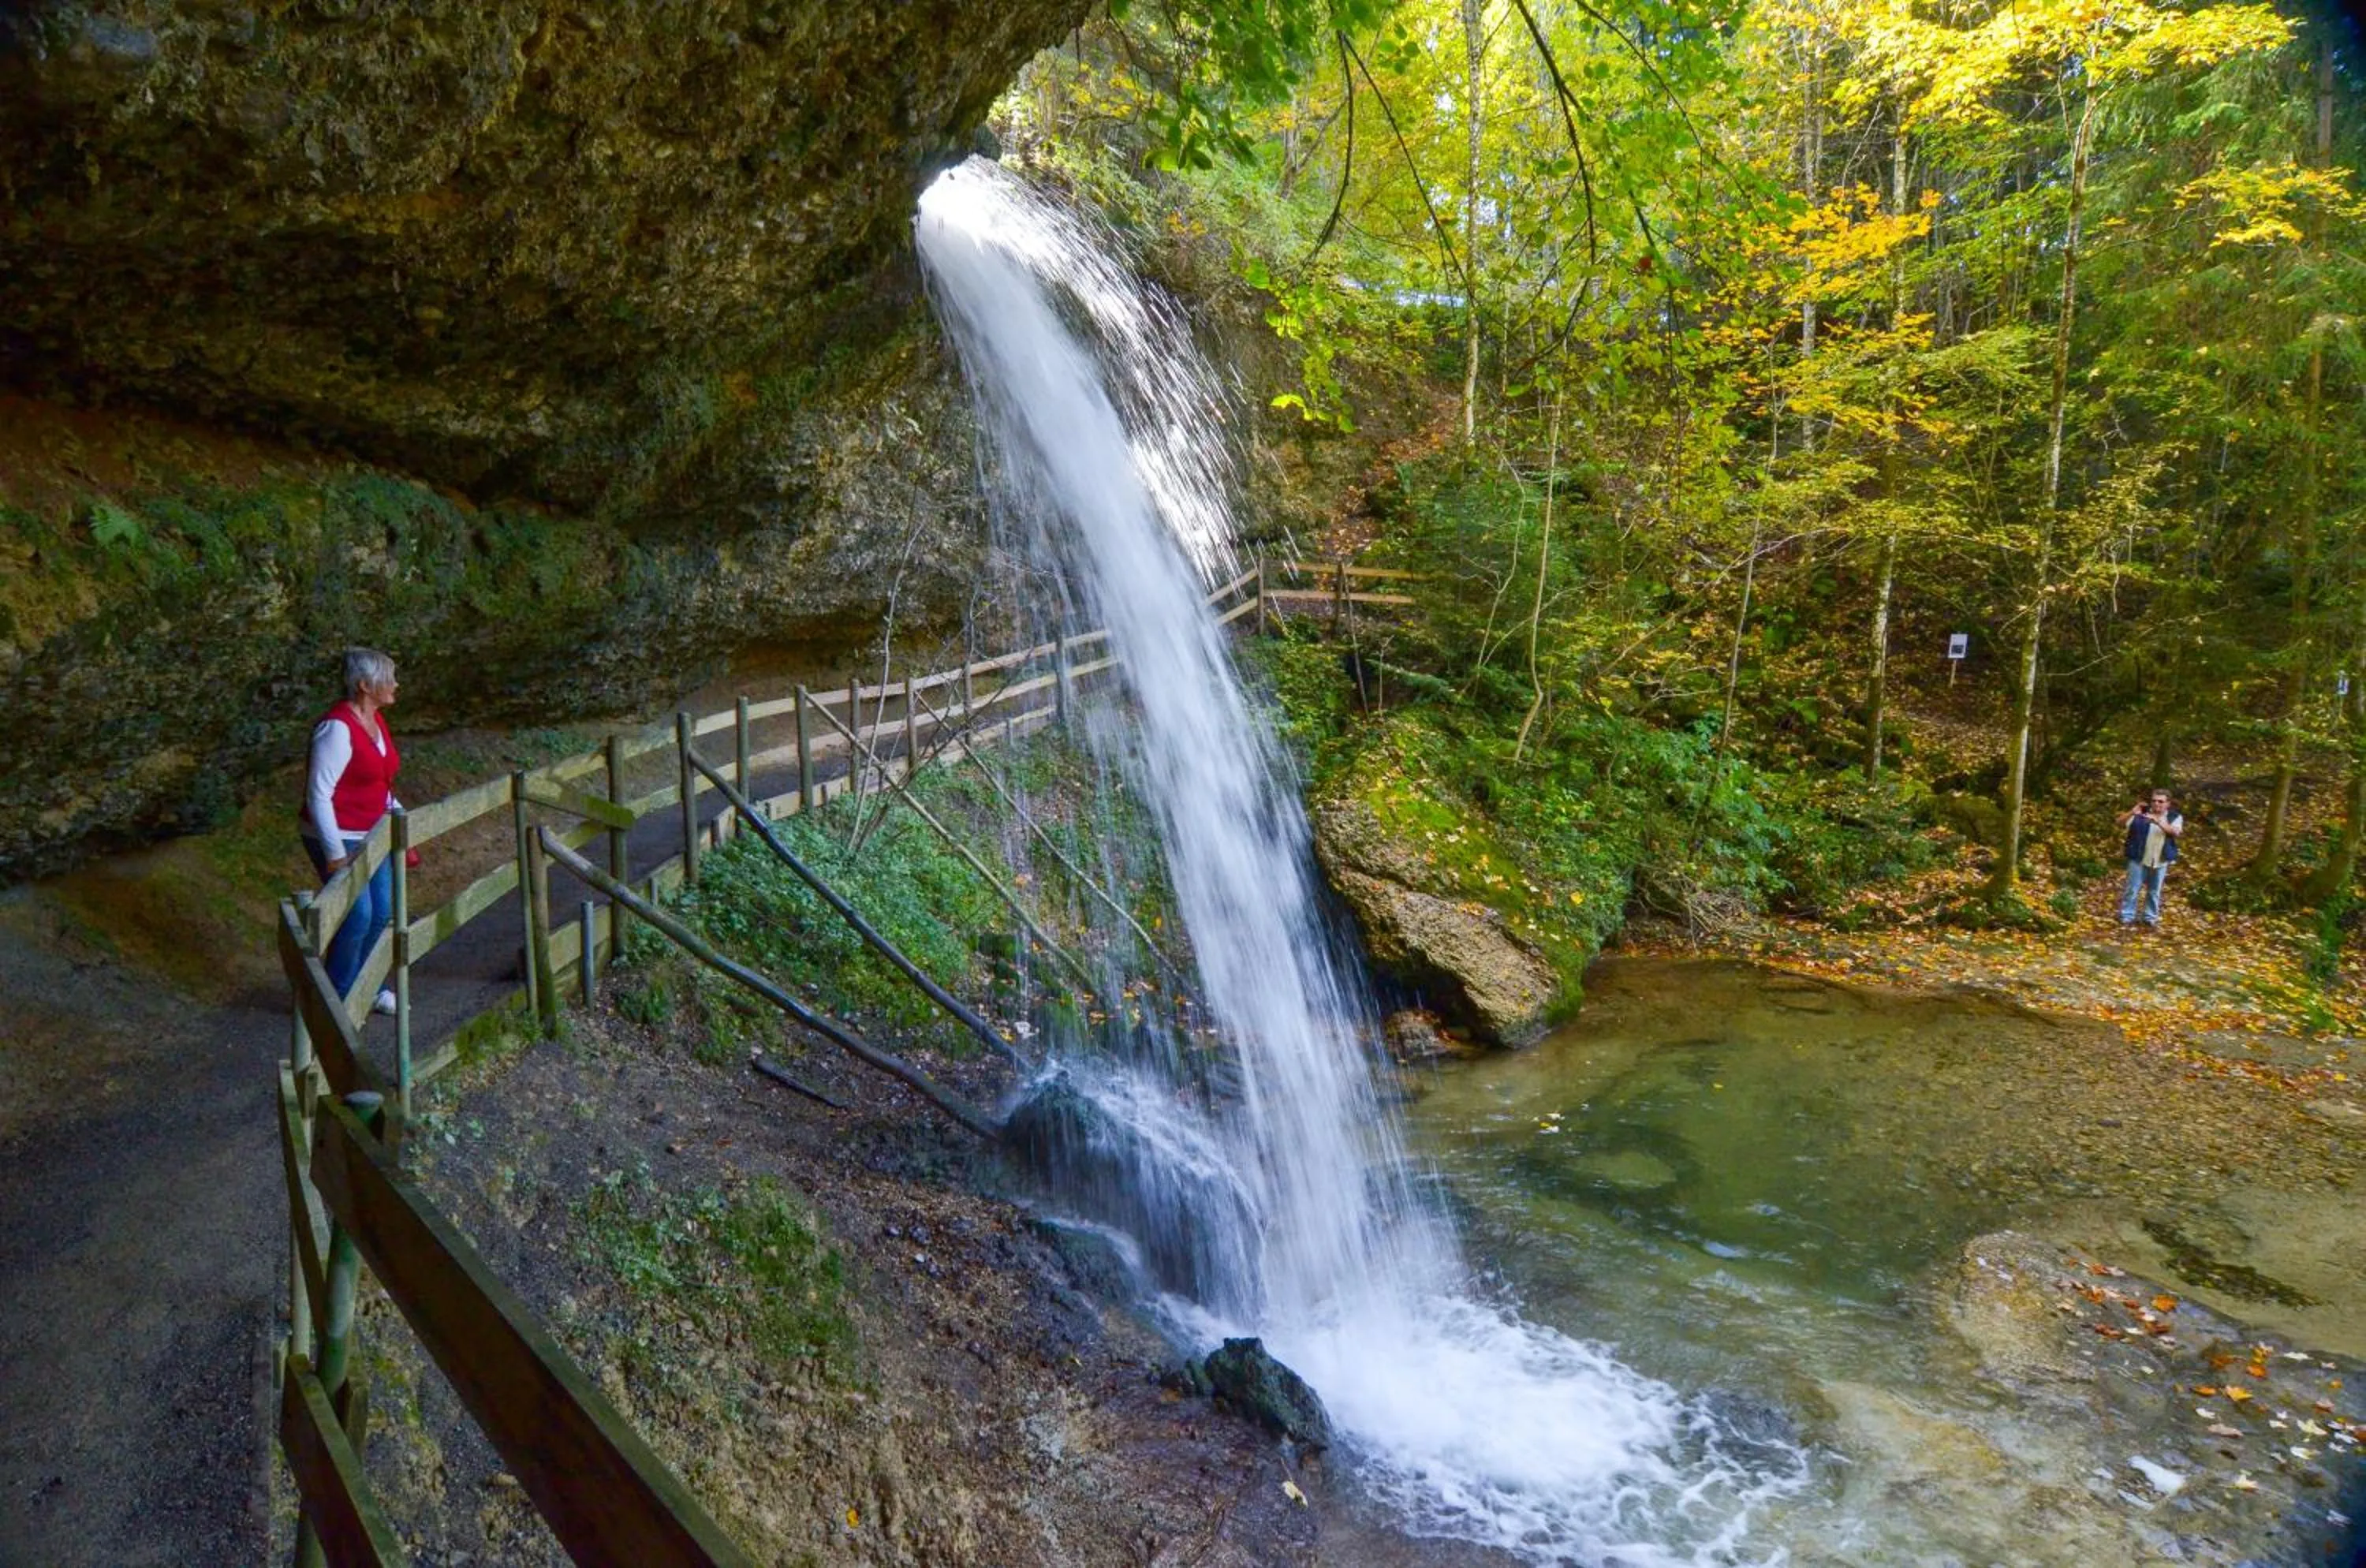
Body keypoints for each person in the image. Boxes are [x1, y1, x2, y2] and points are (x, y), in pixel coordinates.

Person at [301, 648, 405, 1014]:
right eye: (387, 678)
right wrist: (334, 855)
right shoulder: (336, 729)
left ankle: (367, 985)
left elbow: (380, 781)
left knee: (381, 913)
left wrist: (399, 816)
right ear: (364, 685)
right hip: (337, 834)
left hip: (371, 831)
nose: (395, 684)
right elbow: (319, 794)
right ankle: (336, 1000)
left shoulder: (376, 723)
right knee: (357, 914)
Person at [2116, 787, 2183, 928]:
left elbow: (2175, 832)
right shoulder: (2141, 814)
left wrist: (2158, 821)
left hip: (2161, 860)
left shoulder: (2174, 817)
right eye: (2154, 801)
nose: (2157, 804)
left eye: (2161, 801)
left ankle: (2150, 918)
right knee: (2132, 889)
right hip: (2138, 858)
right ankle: (2127, 916)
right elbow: (2120, 823)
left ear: (2168, 803)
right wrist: (2132, 813)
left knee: (2154, 891)